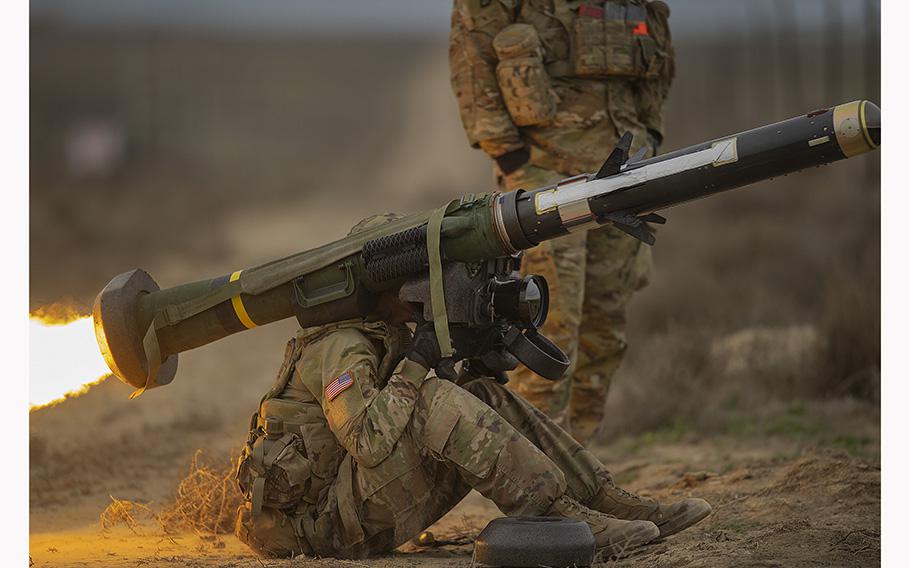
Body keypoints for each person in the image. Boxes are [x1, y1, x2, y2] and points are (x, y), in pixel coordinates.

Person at [233, 215, 710, 560]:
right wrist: (420, 361)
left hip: (352, 504)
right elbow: (369, 442)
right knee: (436, 399)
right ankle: (557, 520)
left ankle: (599, 497)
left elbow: (414, 422)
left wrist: (467, 362)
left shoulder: (386, 332)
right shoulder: (341, 347)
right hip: (322, 530)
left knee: (482, 394)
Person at [449, 0, 675, 444]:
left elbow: (658, 68)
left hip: (625, 170)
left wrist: (651, 136)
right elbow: (472, 51)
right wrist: (508, 154)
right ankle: (539, 479)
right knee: (546, 327)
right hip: (545, 179)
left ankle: (580, 464)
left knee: (604, 332)